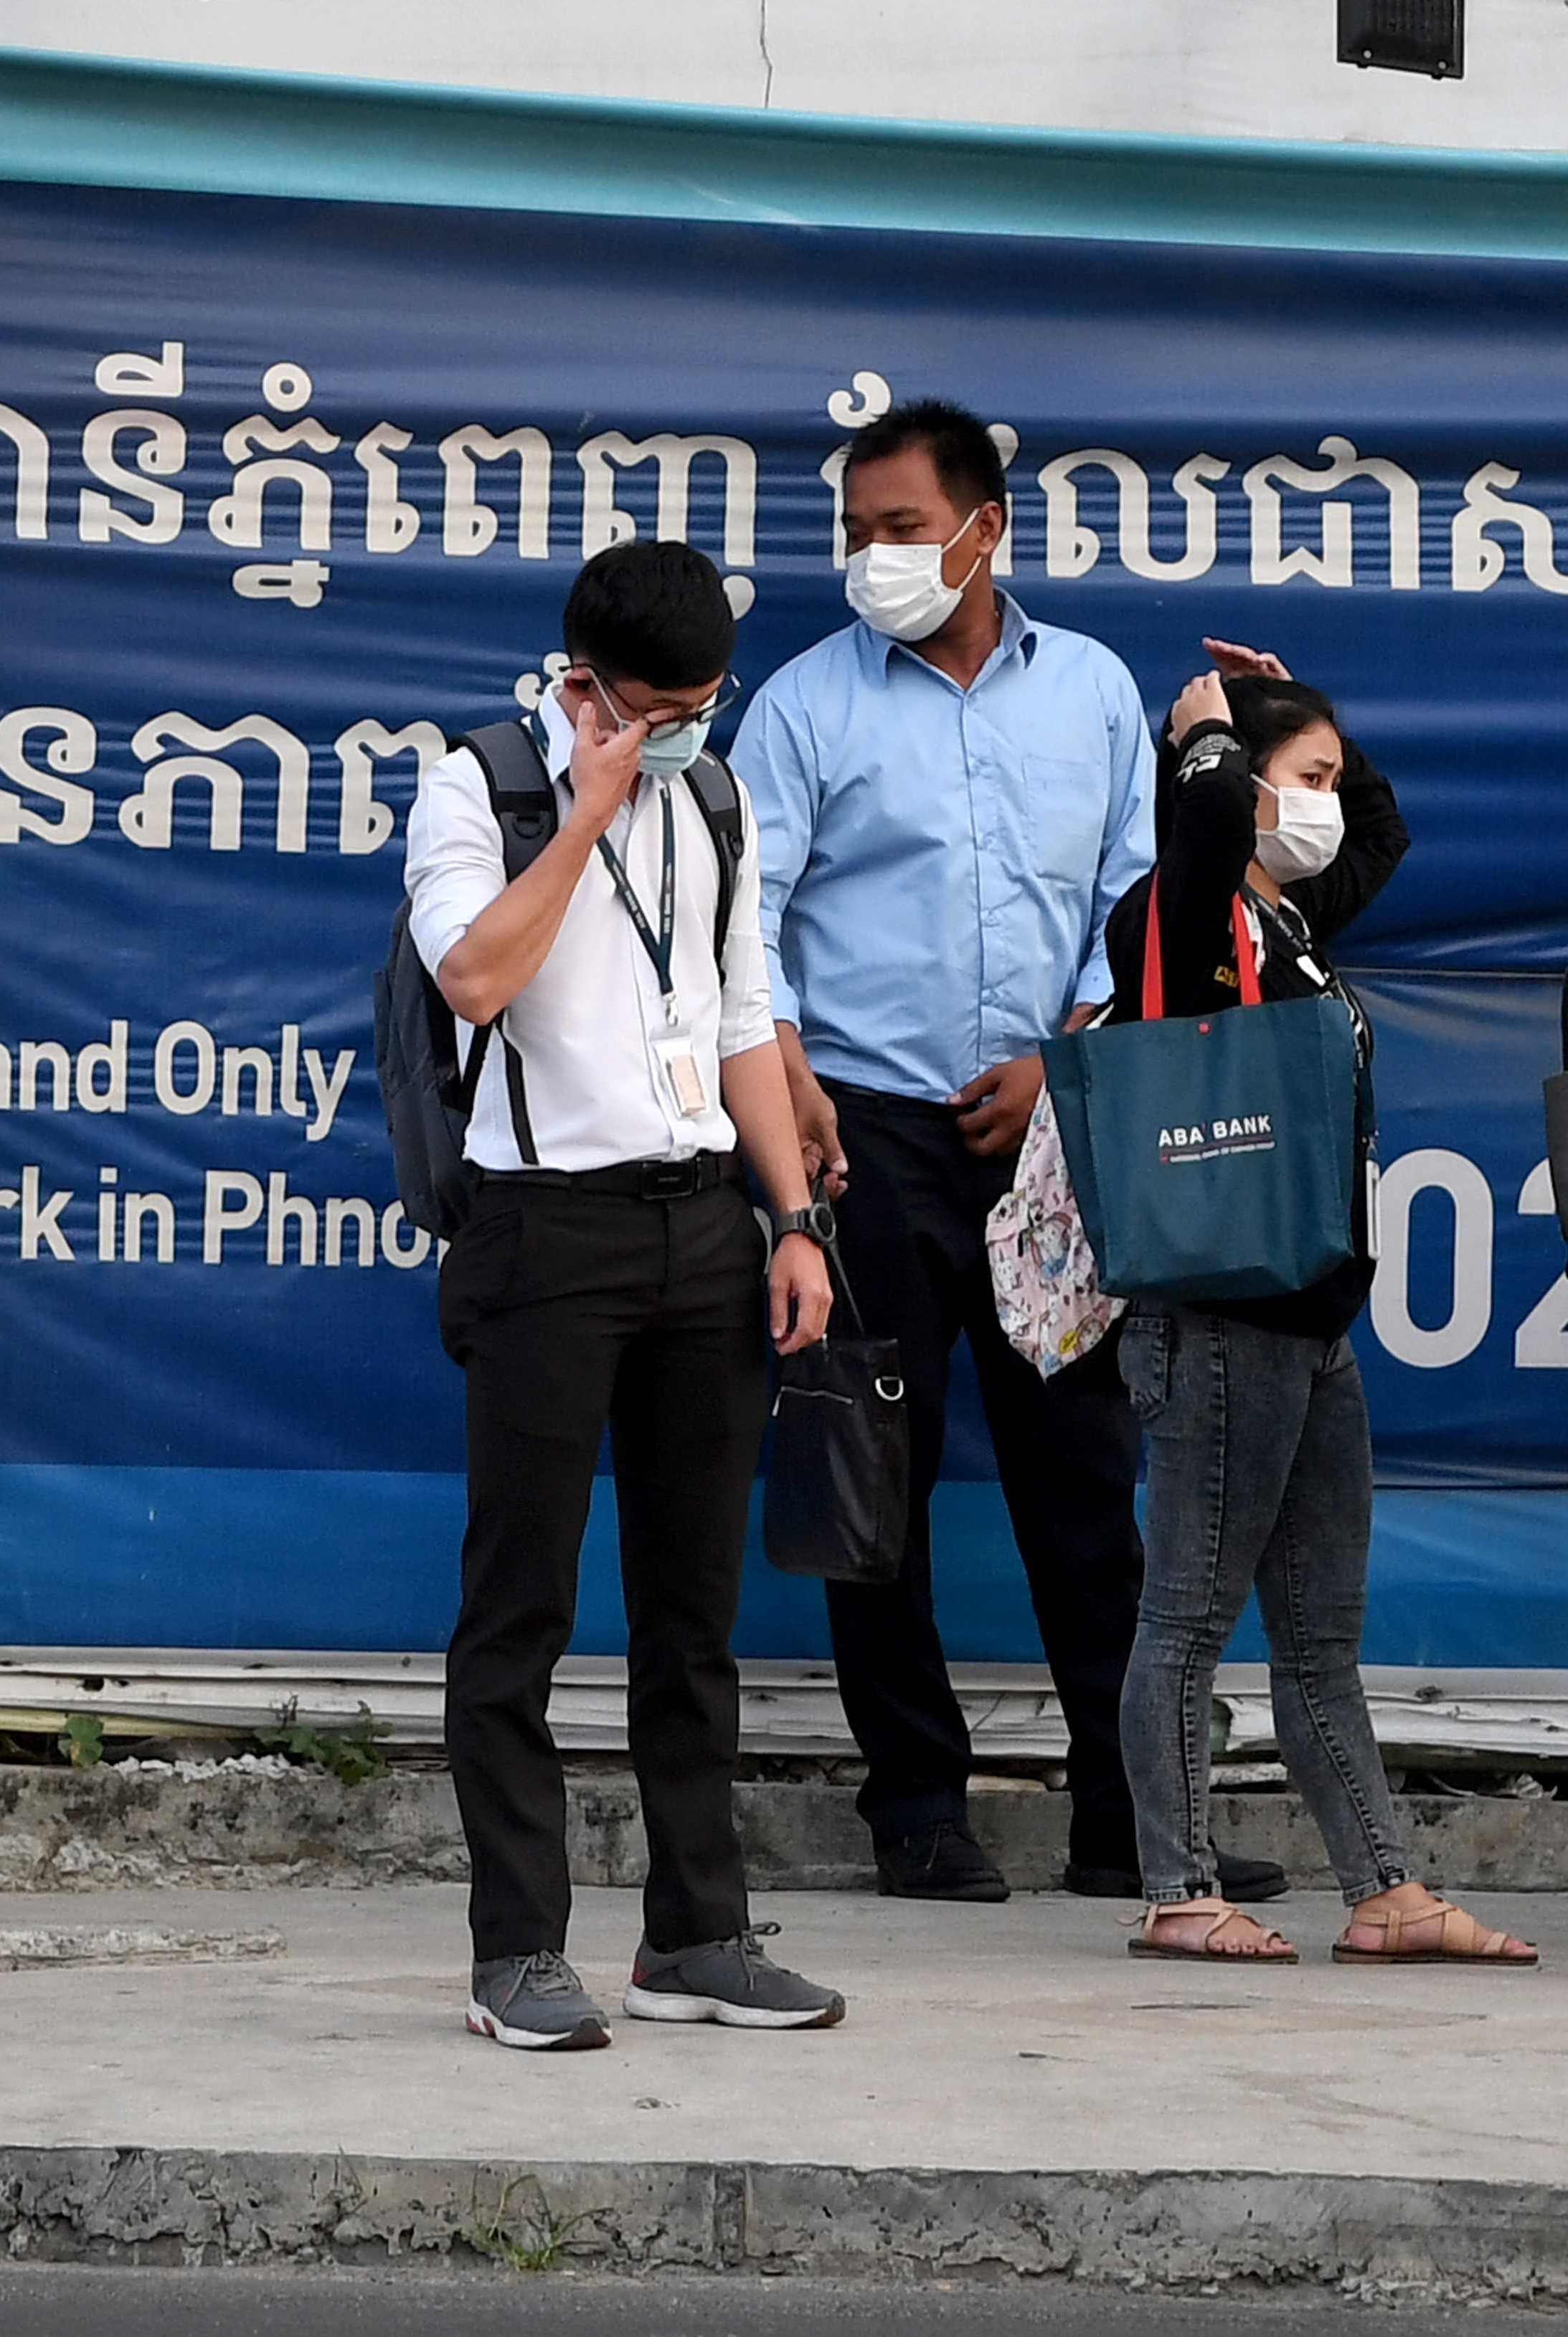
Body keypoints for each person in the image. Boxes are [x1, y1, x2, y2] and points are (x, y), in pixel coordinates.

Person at [734, 397, 1182, 1906]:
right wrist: (790, 1090)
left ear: (986, 529)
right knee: (873, 1478)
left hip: (1052, 1134)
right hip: (861, 1138)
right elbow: (747, 921)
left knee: (1084, 1477)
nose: (870, 556)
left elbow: (1139, 902)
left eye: (901, 528)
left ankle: (1130, 1817)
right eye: (853, 531)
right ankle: (914, 1805)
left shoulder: (1095, 691)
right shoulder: (802, 703)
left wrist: (1062, 1061)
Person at [408, 539, 843, 2051]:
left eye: (700, 704)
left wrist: (792, 1223)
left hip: (700, 1228)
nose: (680, 733)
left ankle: (697, 1932)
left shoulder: (715, 798)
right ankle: (515, 1950)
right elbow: (472, 978)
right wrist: (589, 810)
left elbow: (740, 1017)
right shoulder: (480, 784)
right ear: (582, 684)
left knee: (692, 1609)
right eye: (652, 710)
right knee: (515, 1605)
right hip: (543, 1234)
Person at [1100, 643, 1534, 1968]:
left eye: (1326, 779)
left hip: (1310, 1326)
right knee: (1183, 1617)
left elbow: (1380, 833)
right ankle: (1176, 1888)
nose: (1324, 804)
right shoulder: (1178, 920)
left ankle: (1384, 1888)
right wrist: (1209, 739)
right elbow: (1206, 826)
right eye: (1307, 780)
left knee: (1319, 1633)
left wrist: (1312, 725)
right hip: (1216, 1317)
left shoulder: (1283, 925)